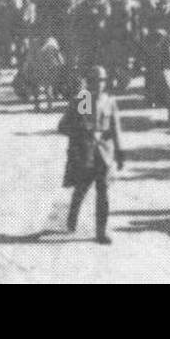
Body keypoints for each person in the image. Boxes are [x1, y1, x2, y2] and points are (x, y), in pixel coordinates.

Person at [57, 66, 126, 244]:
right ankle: (72, 217)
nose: (99, 85)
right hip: (86, 152)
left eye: (102, 81)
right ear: (89, 82)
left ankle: (100, 232)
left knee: (103, 191)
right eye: (95, 81)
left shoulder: (109, 101)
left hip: (104, 152)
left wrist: (120, 153)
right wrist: (83, 132)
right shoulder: (84, 99)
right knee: (82, 188)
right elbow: (66, 125)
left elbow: (116, 129)